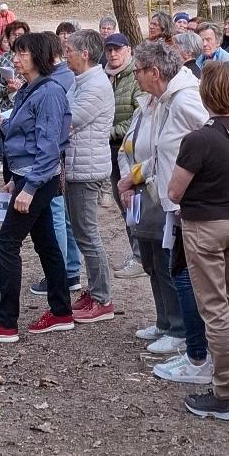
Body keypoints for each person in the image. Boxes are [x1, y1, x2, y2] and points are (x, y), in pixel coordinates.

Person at [0, 32, 75, 343]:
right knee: (46, 244)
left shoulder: (50, 94)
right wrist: (16, 177)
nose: (15, 59)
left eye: (22, 54)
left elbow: (48, 148)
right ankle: (61, 312)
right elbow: (28, 141)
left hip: (38, 181)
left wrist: (27, 188)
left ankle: (6, 323)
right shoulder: (31, 89)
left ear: (38, 57)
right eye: (15, 53)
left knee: (7, 244)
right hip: (28, 177)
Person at [169, 62, 229, 421]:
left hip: (205, 226)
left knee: (215, 309)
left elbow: (175, 191)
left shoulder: (199, 139)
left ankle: (225, 392)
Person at [118, 41, 208, 356]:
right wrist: (133, 177)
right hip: (158, 192)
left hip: (181, 199)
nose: (135, 76)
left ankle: (184, 333)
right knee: (156, 262)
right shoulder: (160, 100)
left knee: (175, 269)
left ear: (154, 72)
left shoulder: (184, 100)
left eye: (138, 71)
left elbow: (207, 139)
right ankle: (167, 323)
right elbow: (157, 150)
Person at [59, 30, 117, 323]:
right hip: (77, 165)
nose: (65, 53)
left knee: (89, 235)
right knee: (82, 233)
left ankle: (103, 298)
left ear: (85, 54)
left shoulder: (95, 85)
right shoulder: (81, 82)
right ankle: (94, 290)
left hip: (87, 169)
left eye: (69, 49)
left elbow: (68, 120)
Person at [105, 33, 145, 280]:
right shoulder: (106, 76)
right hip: (111, 150)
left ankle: (141, 257)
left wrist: (110, 132)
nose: (112, 54)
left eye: (117, 49)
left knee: (134, 204)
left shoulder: (135, 78)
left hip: (130, 150)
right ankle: (137, 253)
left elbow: (137, 115)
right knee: (123, 204)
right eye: (109, 50)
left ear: (128, 50)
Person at [0, 21, 30, 118]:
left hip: (26, 109)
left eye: (20, 34)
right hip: (5, 112)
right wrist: (7, 89)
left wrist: (21, 86)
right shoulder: (1, 59)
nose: (17, 37)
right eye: (13, 35)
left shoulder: (32, 58)